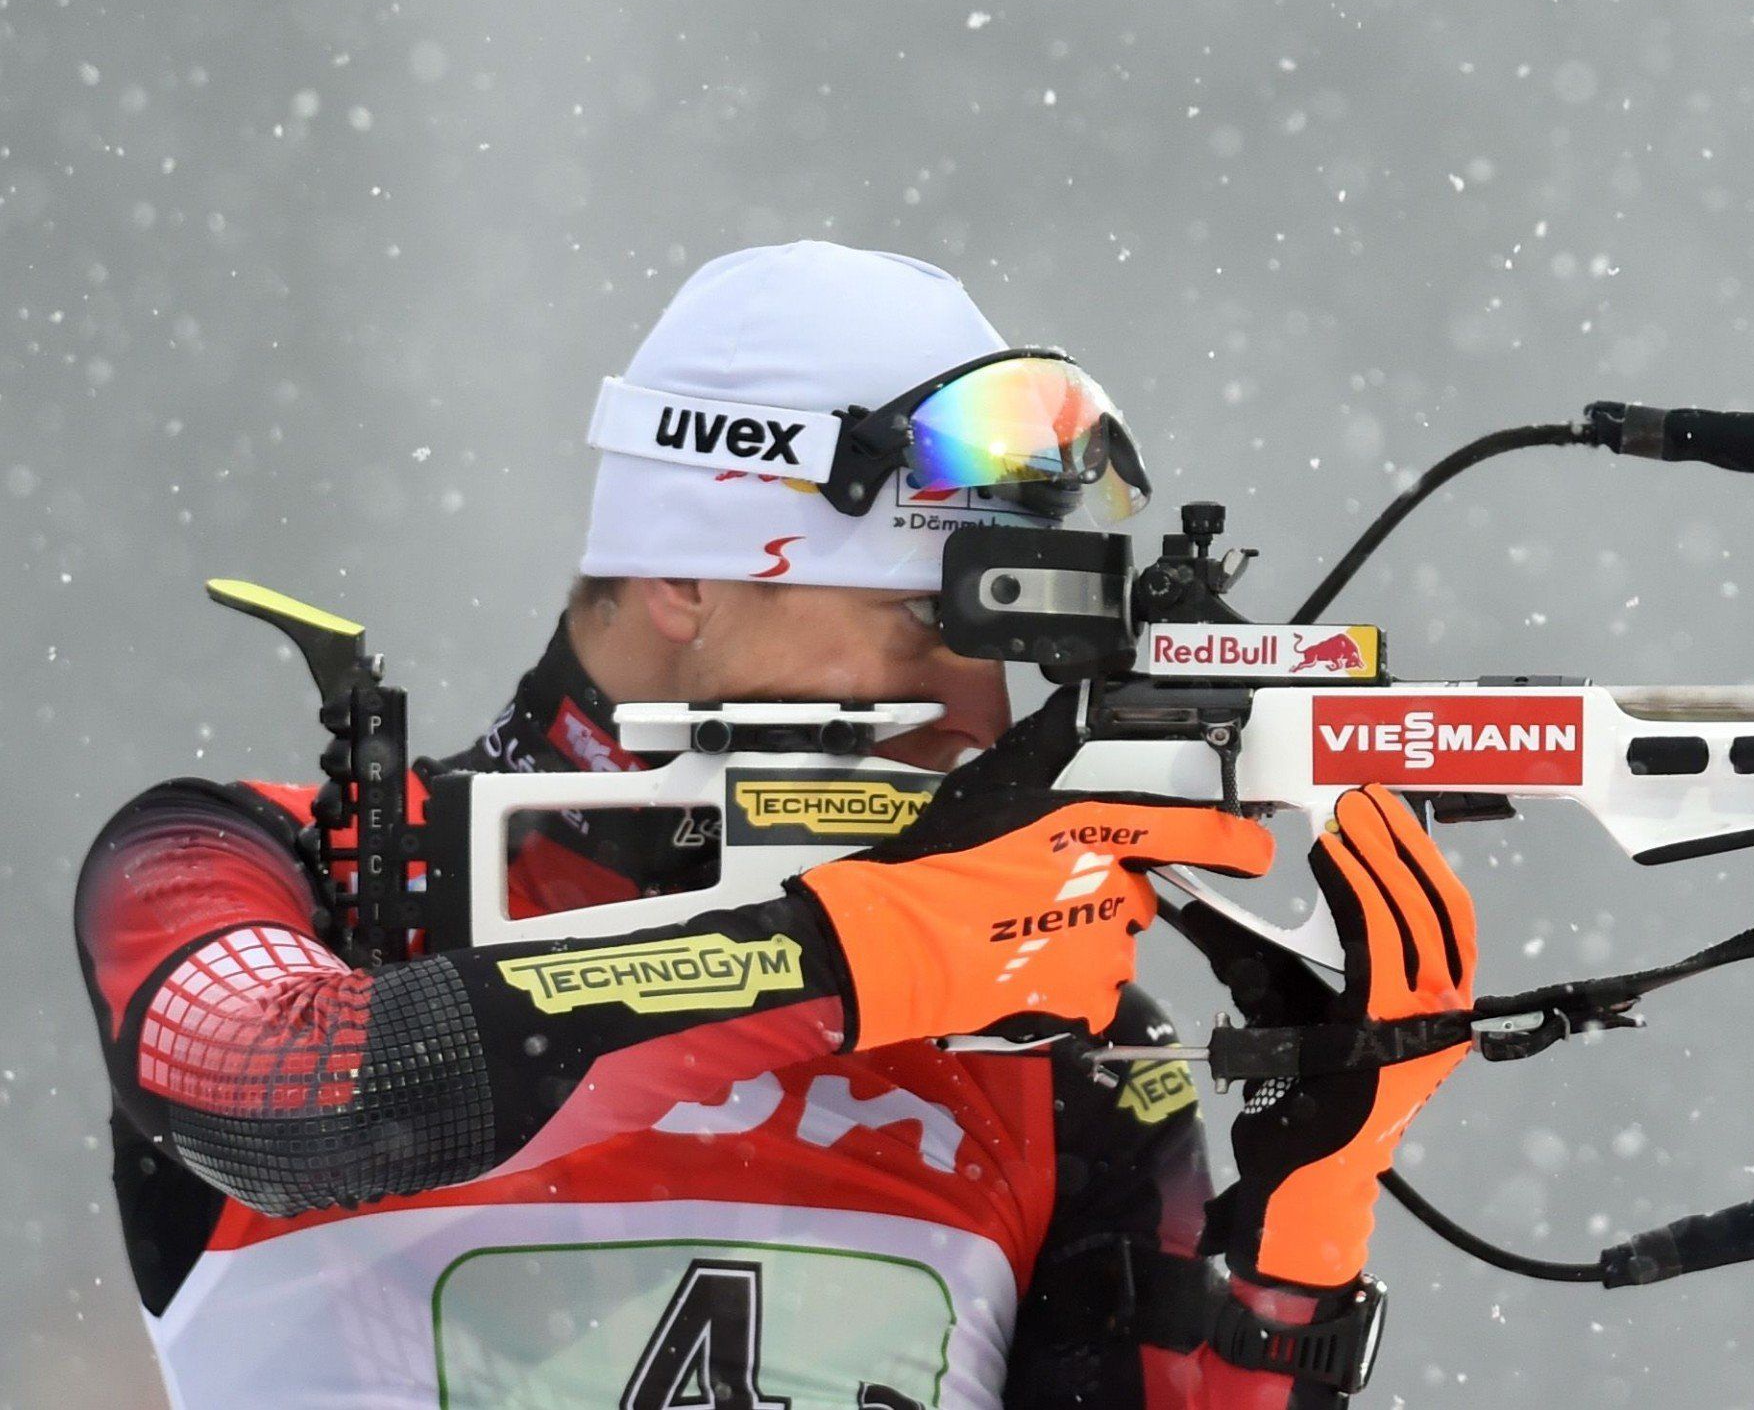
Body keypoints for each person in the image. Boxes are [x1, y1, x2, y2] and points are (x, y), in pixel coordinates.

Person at [74, 240, 1475, 1408]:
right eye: (932, 617)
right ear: (686, 577)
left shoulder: (1047, 1032)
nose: (979, 697)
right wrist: (854, 948)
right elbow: (276, 1078)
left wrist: (1296, 1239)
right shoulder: (289, 859)